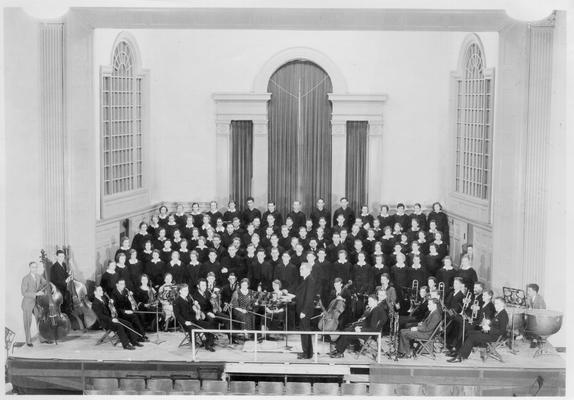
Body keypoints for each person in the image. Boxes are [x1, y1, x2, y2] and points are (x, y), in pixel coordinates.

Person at [447, 296, 509, 363]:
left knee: (472, 337)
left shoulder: (503, 315)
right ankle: (458, 352)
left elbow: (502, 331)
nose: (495, 305)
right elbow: (495, 325)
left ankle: (460, 356)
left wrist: (489, 329)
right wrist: (485, 324)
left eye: (497, 304)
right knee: (468, 332)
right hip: (488, 333)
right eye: (495, 303)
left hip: (494, 336)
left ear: (502, 304)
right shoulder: (499, 313)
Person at [91, 286, 143, 350]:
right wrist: (111, 319)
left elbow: (109, 309)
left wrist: (110, 303)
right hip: (106, 322)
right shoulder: (95, 303)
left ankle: (134, 341)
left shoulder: (103, 299)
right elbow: (101, 316)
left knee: (127, 323)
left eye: (101, 290)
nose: (102, 291)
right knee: (119, 326)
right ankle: (126, 344)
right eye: (99, 290)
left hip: (111, 319)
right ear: (95, 292)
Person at [173, 284, 216, 352]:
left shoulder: (188, 300)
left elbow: (192, 310)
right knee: (192, 329)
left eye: (187, 290)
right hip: (186, 323)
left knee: (209, 325)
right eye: (184, 290)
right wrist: (184, 322)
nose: (187, 292)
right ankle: (193, 343)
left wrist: (195, 305)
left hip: (194, 320)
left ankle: (208, 343)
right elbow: (177, 315)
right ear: (180, 291)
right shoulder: (176, 301)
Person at [21, 261, 47, 347]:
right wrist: (36, 294)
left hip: (37, 303)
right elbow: (23, 293)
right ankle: (28, 341)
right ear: (30, 268)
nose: (34, 269)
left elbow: (46, 283)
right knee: (27, 323)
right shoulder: (25, 278)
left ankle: (42, 339)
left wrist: (52, 285)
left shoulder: (39, 276)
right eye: (33, 267)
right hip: (27, 303)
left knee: (39, 320)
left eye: (36, 267)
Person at [294, 263, 316, 359]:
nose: (300, 271)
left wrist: (304, 311)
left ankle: (306, 353)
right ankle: (308, 353)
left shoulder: (310, 280)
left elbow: (309, 298)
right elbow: (302, 295)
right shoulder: (306, 279)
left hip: (305, 311)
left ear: (308, 269)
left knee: (304, 331)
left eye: (302, 269)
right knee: (306, 331)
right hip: (303, 310)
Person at [49, 250, 72, 315]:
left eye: (63, 256)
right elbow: (53, 281)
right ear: (56, 257)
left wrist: (68, 275)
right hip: (59, 291)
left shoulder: (64, 265)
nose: (62, 258)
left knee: (67, 305)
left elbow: (64, 275)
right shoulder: (53, 267)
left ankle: (68, 315)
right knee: (62, 308)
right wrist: (65, 281)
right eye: (60, 256)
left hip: (65, 289)